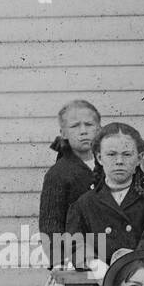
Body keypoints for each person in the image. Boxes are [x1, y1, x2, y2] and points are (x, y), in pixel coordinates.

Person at [62, 122, 144, 270]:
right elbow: (75, 245)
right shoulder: (84, 205)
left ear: (139, 158)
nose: (119, 161)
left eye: (126, 154)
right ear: (99, 158)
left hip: (142, 280)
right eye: (111, 154)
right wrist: (94, 263)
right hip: (99, 285)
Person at [39, 100, 100, 266]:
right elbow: (50, 228)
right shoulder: (58, 174)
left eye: (89, 125)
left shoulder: (110, 166)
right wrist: (63, 264)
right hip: (75, 263)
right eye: (74, 126)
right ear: (63, 133)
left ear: (99, 129)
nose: (83, 131)